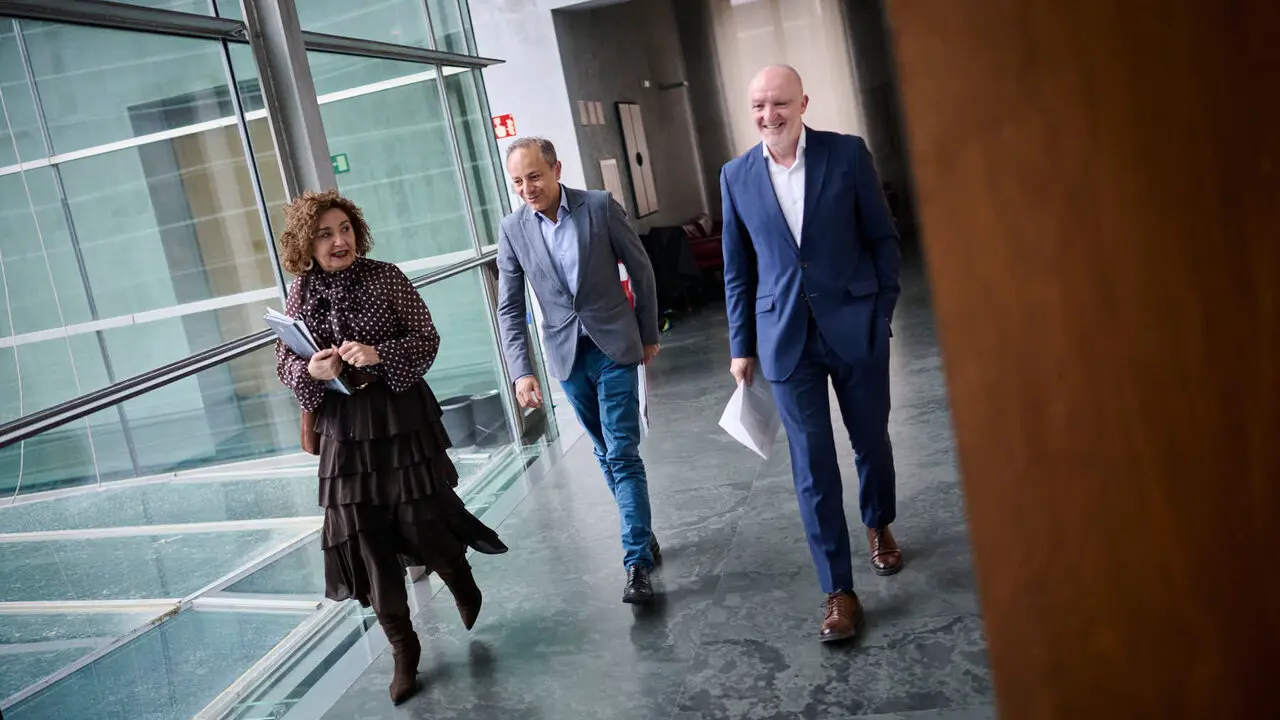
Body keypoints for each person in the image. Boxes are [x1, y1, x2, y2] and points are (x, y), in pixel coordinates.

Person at [274, 190, 507, 704]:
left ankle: (459, 575)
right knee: (368, 541)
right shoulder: (302, 292)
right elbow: (285, 363)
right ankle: (404, 651)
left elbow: (426, 338)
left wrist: (379, 353)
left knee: (422, 518)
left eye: (345, 229)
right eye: (325, 234)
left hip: (399, 418)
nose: (340, 241)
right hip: (343, 430)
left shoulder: (387, 277)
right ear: (305, 245)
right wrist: (311, 369)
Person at [721, 66, 904, 643]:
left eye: (778, 103)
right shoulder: (735, 175)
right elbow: (738, 269)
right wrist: (741, 344)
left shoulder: (847, 155)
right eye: (757, 105)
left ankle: (878, 522)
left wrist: (880, 312)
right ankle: (839, 592)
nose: (767, 115)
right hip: (785, 338)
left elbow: (883, 238)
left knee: (870, 436)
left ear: (803, 102)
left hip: (855, 323)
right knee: (812, 467)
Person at [495, 137, 663, 604]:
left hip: (615, 346)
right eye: (517, 181)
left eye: (534, 176)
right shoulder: (512, 229)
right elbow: (509, 308)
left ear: (556, 170)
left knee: (623, 451)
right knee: (604, 452)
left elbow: (641, 269)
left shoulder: (600, 207)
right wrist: (520, 371)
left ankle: (636, 563)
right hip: (566, 355)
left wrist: (648, 333)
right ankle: (642, 531)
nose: (526, 188)